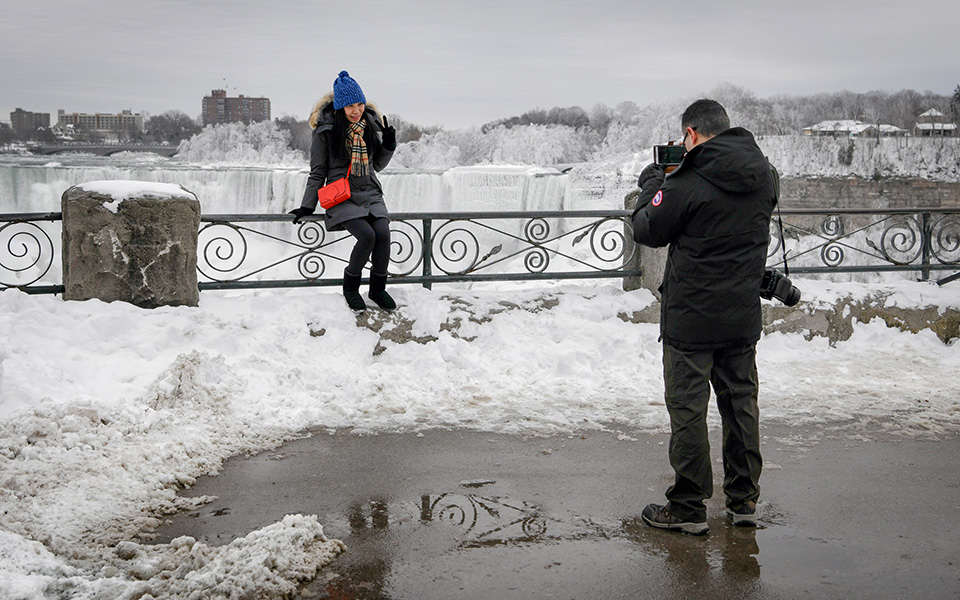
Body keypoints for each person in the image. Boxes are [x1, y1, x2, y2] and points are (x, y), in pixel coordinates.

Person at [631, 99, 776, 535]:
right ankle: (744, 499)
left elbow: (646, 228)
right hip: (741, 315)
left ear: (691, 134)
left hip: (692, 319)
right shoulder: (765, 176)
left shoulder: (688, 182)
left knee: (689, 410)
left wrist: (653, 185)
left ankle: (689, 507)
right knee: (740, 406)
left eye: (684, 139)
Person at [290, 71, 398, 311]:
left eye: (360, 104)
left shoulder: (369, 124)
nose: (356, 110)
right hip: (343, 195)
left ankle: (378, 290)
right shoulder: (325, 132)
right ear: (340, 107)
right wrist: (308, 205)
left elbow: (377, 165)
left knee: (383, 234)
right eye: (350, 106)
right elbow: (318, 172)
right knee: (367, 236)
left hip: (370, 192)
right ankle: (350, 287)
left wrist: (388, 145)